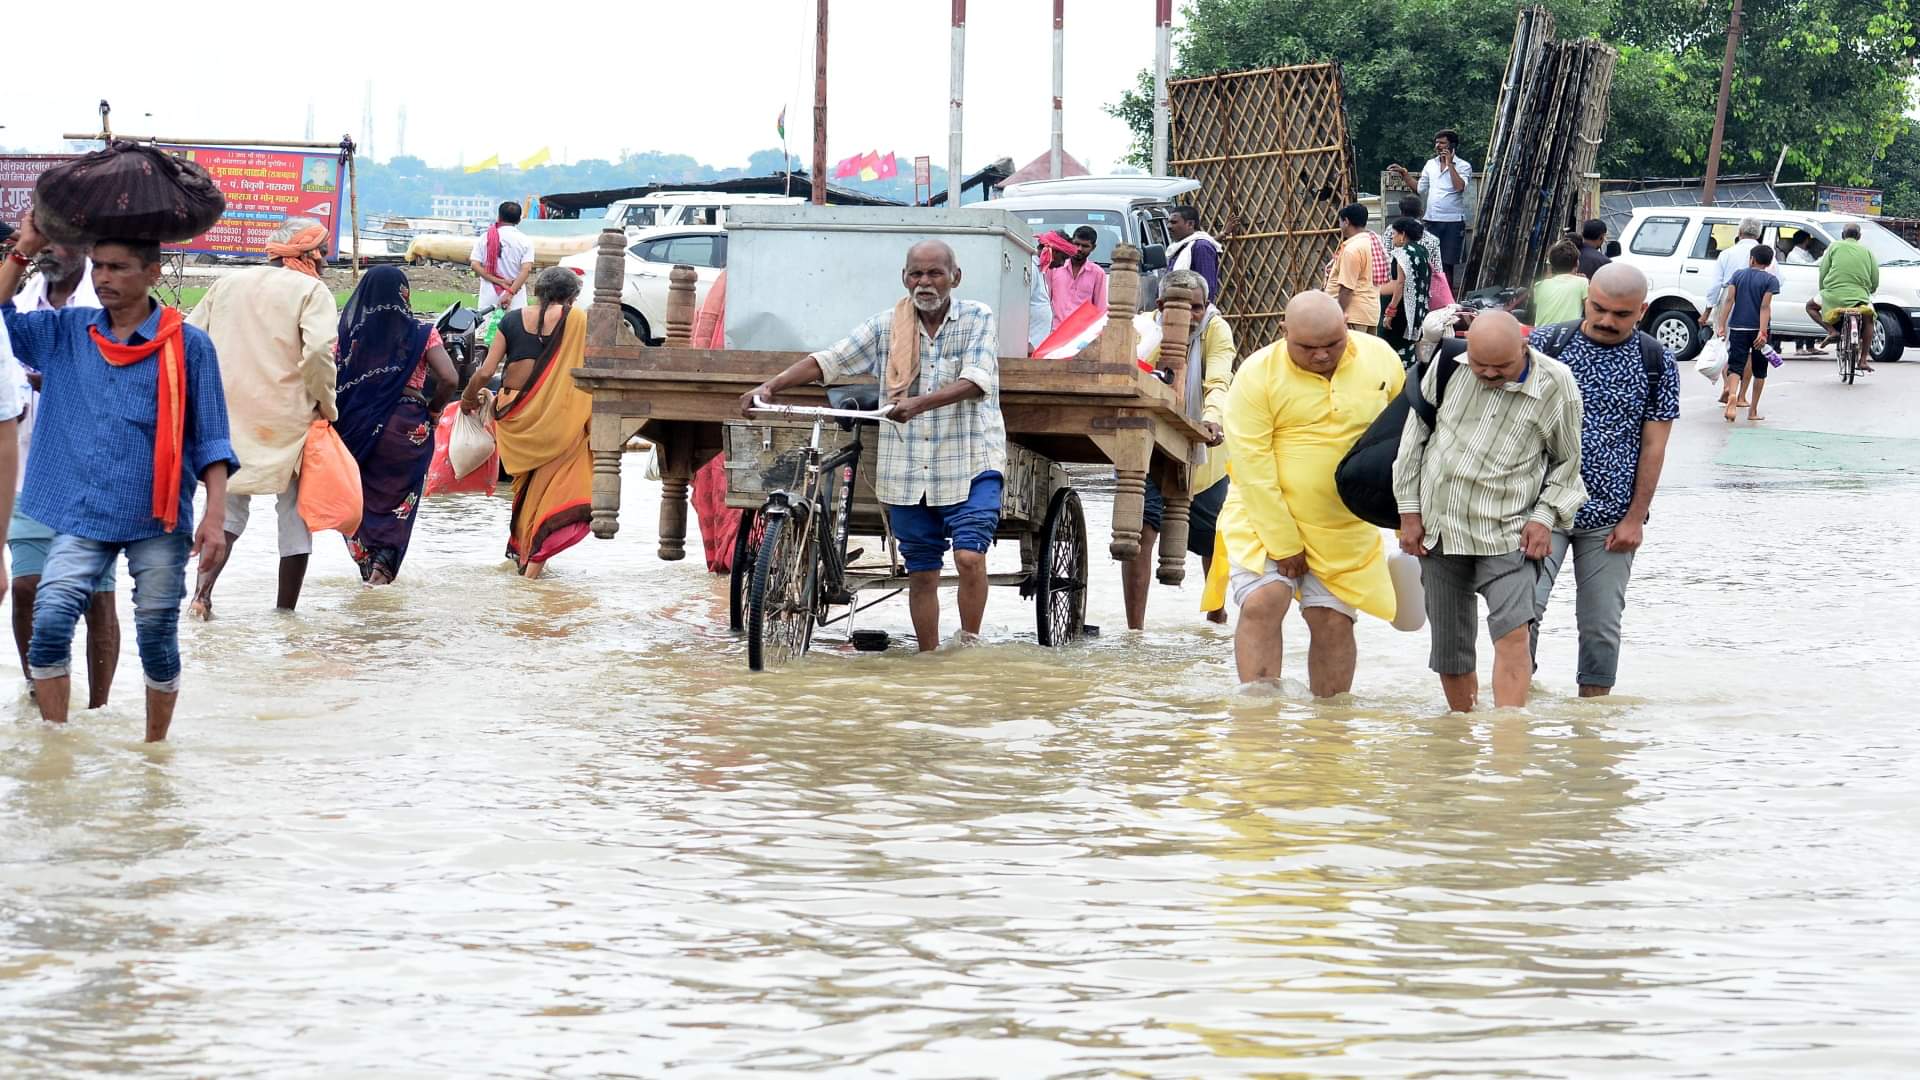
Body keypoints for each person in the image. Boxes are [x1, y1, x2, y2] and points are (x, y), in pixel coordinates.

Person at [0, 218, 238, 742]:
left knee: (156, 631)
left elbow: (213, 439)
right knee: (51, 619)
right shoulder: (70, 331)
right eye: (99, 265)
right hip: (83, 511)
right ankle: (55, 749)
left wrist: (215, 517)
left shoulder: (189, 346)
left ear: (152, 272)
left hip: (157, 516)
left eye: (118, 267)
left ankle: (156, 752)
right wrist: (24, 249)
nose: (104, 277)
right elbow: (2, 315)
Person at [740, 240, 1004, 652]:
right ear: (904, 278)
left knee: (969, 557)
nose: (925, 282)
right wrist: (771, 385)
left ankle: (969, 644)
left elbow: (976, 380)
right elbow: (830, 360)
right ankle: (929, 657)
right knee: (921, 572)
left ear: (955, 277)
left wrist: (917, 403)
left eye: (935, 273)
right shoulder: (887, 326)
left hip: (968, 460)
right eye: (916, 274)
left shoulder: (976, 318)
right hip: (906, 467)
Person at [1392, 310, 1586, 712]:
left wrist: (1544, 517)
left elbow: (1568, 463)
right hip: (1439, 530)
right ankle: (1461, 738)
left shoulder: (1556, 383)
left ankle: (1509, 743)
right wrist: (1409, 513)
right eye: (1480, 365)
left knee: (1513, 634)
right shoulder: (1448, 365)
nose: (1490, 374)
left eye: (1502, 366)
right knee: (1450, 648)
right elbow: (1413, 442)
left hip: (1508, 532)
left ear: (1524, 346)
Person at [1219, 291, 1405, 693]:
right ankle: (1258, 722)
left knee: (1332, 620)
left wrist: (1407, 517)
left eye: (1333, 344)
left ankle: (1329, 731)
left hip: (1344, 522)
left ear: (1347, 328)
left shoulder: (1381, 358)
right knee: (1265, 600)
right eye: (1308, 347)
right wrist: (1283, 542)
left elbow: (1406, 441)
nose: (1322, 356)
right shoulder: (1256, 374)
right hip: (1264, 512)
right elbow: (1252, 467)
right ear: (1283, 332)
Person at [1529, 262, 1679, 698]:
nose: (1607, 321)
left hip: (1610, 519)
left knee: (1600, 625)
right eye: (1599, 309)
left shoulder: (1656, 362)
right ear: (1586, 301)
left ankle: (1592, 729)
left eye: (1621, 315)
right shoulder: (1546, 346)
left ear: (1642, 311)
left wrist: (1635, 519)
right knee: (1523, 612)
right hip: (1542, 511)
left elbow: (1654, 448)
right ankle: (1516, 707)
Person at [186, 216, 339, 617]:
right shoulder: (312, 291)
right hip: (287, 419)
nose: (324, 261)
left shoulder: (228, 283)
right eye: (320, 251)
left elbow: (190, 337)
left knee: (226, 510)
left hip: (226, 416)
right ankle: (285, 616)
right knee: (295, 517)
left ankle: (201, 597)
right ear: (307, 254)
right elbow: (319, 353)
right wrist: (327, 404)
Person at [8, 240, 119, 709]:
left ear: (85, 247)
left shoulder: (107, 301)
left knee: (97, 599)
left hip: (94, 472)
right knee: (24, 588)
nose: (49, 250)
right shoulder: (22, 295)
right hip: (25, 467)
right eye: (42, 239)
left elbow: (123, 374)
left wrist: (52, 378)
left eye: (60, 240)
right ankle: (42, 690)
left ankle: (98, 707)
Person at [461, 267, 595, 578]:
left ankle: (523, 556)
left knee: (525, 489)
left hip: (512, 413)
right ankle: (534, 565)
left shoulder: (511, 319)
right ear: (572, 297)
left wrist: (468, 400)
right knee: (551, 489)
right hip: (560, 416)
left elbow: (485, 373)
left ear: (537, 291)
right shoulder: (577, 319)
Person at [1123, 269, 1235, 629]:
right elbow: (1129, 369)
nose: (1191, 317)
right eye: (1179, 308)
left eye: (1197, 309)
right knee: (1141, 531)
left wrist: (1213, 419)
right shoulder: (1141, 327)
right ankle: (1134, 631)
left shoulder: (1216, 329)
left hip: (1204, 446)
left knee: (1212, 539)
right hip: (1146, 443)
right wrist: (1166, 333)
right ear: (1159, 305)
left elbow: (1218, 379)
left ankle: (1217, 617)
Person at [333, 266, 460, 584]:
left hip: (356, 427)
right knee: (400, 502)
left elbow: (331, 378)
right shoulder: (421, 332)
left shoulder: (349, 335)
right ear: (405, 293)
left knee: (356, 496)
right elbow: (449, 378)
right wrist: (432, 411)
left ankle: (367, 565)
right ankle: (383, 568)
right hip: (407, 428)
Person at [1390, 129, 1474, 287]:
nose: (1438, 146)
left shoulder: (1464, 166)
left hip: (1453, 222)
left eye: (1442, 143)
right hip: (1431, 221)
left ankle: (1447, 301)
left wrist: (1450, 164)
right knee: (1429, 261)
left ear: (1452, 145)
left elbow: (1459, 187)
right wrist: (1405, 175)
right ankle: (1430, 298)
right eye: (1436, 142)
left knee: (1447, 264)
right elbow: (1420, 189)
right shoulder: (1430, 164)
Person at [1714, 245, 1780, 422]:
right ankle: (1753, 412)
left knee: (1736, 366)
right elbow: (1765, 307)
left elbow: (1729, 300)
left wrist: (1721, 324)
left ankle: (1733, 394)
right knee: (1760, 370)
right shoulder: (1770, 280)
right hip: (1758, 330)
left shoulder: (1738, 275)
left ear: (1751, 259)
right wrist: (1763, 332)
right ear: (1769, 262)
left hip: (1737, 327)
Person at [1809, 223, 1880, 372]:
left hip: (1833, 295)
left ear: (1842, 235)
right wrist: (1870, 290)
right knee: (1869, 319)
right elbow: (1875, 279)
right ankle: (1863, 359)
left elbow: (1823, 271)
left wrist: (1824, 289)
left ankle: (1831, 331)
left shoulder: (1834, 247)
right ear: (1859, 237)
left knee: (1810, 307)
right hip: (1859, 297)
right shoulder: (1868, 251)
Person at [1380, 217, 1434, 360]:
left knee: (1394, 345)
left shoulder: (1402, 254)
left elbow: (1400, 284)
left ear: (1403, 234)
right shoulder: (1422, 251)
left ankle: (1399, 374)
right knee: (1411, 344)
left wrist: (1390, 312)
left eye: (1394, 233)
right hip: (1419, 307)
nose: (1392, 237)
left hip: (1403, 308)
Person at [469, 201, 535, 313]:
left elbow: (475, 265)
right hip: (515, 301)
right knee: (514, 329)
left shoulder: (485, 238)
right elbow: (526, 270)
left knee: (488, 329)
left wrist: (499, 281)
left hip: (489, 300)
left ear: (499, 217)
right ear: (519, 220)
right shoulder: (525, 241)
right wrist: (510, 292)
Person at [1325, 205, 1381, 334]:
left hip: (1353, 315)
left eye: (1340, 221)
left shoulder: (1352, 250)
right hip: (1369, 312)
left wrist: (1338, 316)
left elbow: (1347, 289)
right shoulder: (1373, 243)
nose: (1339, 226)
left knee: (1352, 353)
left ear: (1346, 222)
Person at [1397, 195, 1454, 308]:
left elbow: (1387, 262)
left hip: (1397, 289)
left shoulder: (1391, 233)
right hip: (1423, 291)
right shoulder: (1432, 240)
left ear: (1401, 212)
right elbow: (1437, 270)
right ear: (1421, 213)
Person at [1701, 218, 1762, 320]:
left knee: (1723, 332)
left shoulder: (1727, 254)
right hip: (1756, 300)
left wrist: (1707, 312)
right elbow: (1779, 280)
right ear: (1758, 235)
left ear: (1739, 232)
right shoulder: (1767, 255)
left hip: (1729, 298)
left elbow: (1715, 285)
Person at [1046, 225, 1108, 323]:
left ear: (1093, 248)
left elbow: (1100, 309)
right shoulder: (1054, 267)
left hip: (1081, 335)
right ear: (1071, 242)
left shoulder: (1098, 273)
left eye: (1085, 246)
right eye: (1076, 244)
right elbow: (1046, 300)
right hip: (1055, 332)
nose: (1079, 249)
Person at [1167, 205, 1223, 301]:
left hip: (1192, 311)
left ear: (1190, 224)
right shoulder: (1180, 247)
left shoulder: (1201, 247)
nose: (1169, 226)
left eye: (1174, 222)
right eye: (1168, 222)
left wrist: (1198, 311)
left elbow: (1206, 286)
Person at [1531, 240, 1588, 326]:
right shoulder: (1582, 282)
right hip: (1566, 336)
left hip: (1541, 334)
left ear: (1552, 265)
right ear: (1577, 263)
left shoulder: (1539, 285)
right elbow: (1590, 312)